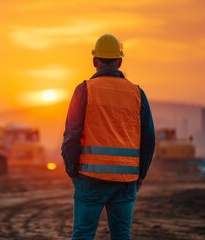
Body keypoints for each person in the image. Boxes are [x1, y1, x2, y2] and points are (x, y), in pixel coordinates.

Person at [61, 34, 155, 240]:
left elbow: (71, 136)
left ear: (94, 61)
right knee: (122, 235)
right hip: (125, 181)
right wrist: (141, 175)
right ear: (120, 61)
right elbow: (149, 139)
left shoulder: (84, 90)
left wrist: (72, 169)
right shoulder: (137, 93)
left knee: (83, 234)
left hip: (90, 178)